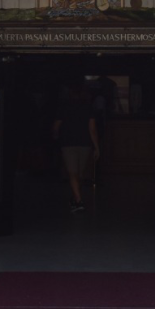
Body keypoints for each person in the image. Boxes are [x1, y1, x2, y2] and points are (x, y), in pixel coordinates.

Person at [52, 76, 99, 213]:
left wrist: (55, 136)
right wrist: (96, 146)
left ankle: (78, 201)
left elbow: (56, 126)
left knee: (72, 173)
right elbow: (92, 129)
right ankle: (77, 199)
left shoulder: (64, 107)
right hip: (85, 143)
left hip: (68, 143)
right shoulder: (88, 108)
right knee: (80, 174)